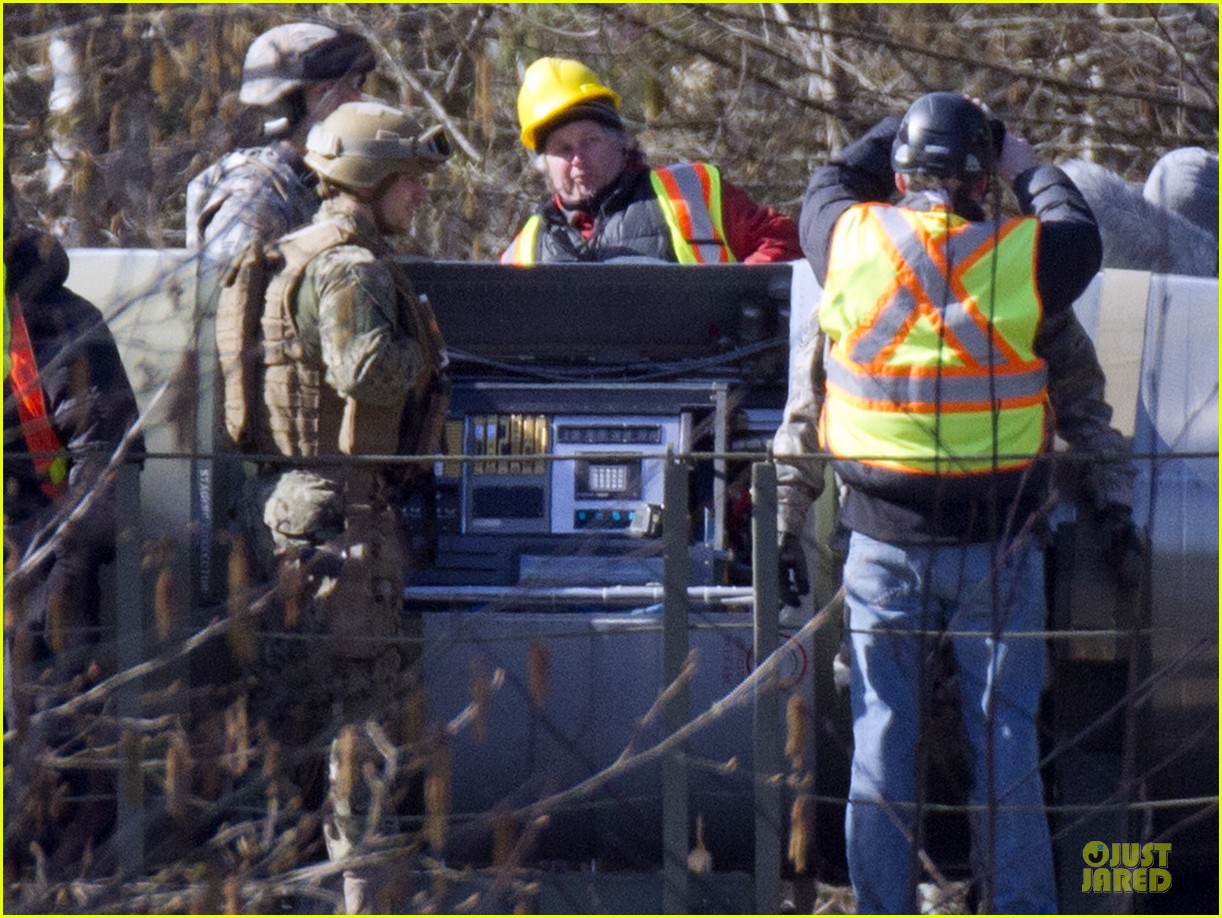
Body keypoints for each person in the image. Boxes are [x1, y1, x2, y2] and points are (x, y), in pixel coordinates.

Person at [773, 93, 1141, 913]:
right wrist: (1018, 153)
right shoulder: (1025, 265)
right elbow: (1078, 241)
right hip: (999, 548)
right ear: (984, 182)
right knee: (1005, 746)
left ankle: (880, 905)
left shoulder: (848, 245)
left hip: (878, 546)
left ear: (899, 175)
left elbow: (832, 182)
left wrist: (785, 520)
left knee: (880, 743)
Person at [249, 99, 451, 914]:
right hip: (345, 518)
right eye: (411, 181)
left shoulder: (298, 250)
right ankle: (368, 896)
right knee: (363, 726)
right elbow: (365, 370)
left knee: (299, 717)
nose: (422, 196)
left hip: (301, 507)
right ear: (373, 180)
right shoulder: (352, 267)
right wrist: (430, 348)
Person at [3, 212, 143, 880]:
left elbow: (108, 466)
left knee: (56, 747)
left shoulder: (58, 323)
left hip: (41, 576)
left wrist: (58, 566)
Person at [501, 56, 801, 265]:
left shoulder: (690, 192)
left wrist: (733, 301)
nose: (578, 158)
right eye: (562, 149)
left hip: (705, 358)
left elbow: (782, 241)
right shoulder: (522, 252)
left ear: (620, 140)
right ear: (545, 164)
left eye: (590, 141)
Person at [186, 21, 375, 259]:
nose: (354, 99)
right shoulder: (253, 195)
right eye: (326, 90)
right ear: (284, 108)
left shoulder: (324, 183)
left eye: (355, 84)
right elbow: (230, 289)